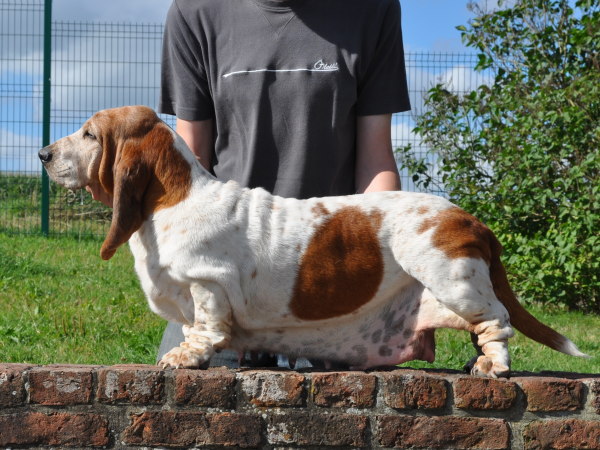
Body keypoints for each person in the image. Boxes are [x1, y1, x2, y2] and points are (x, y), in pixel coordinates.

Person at [156, 0, 411, 368]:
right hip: (226, 277)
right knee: (182, 415)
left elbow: (375, 165)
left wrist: (378, 286)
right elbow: (192, 165)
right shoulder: (194, 12)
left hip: (329, 280)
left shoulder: (373, 10)